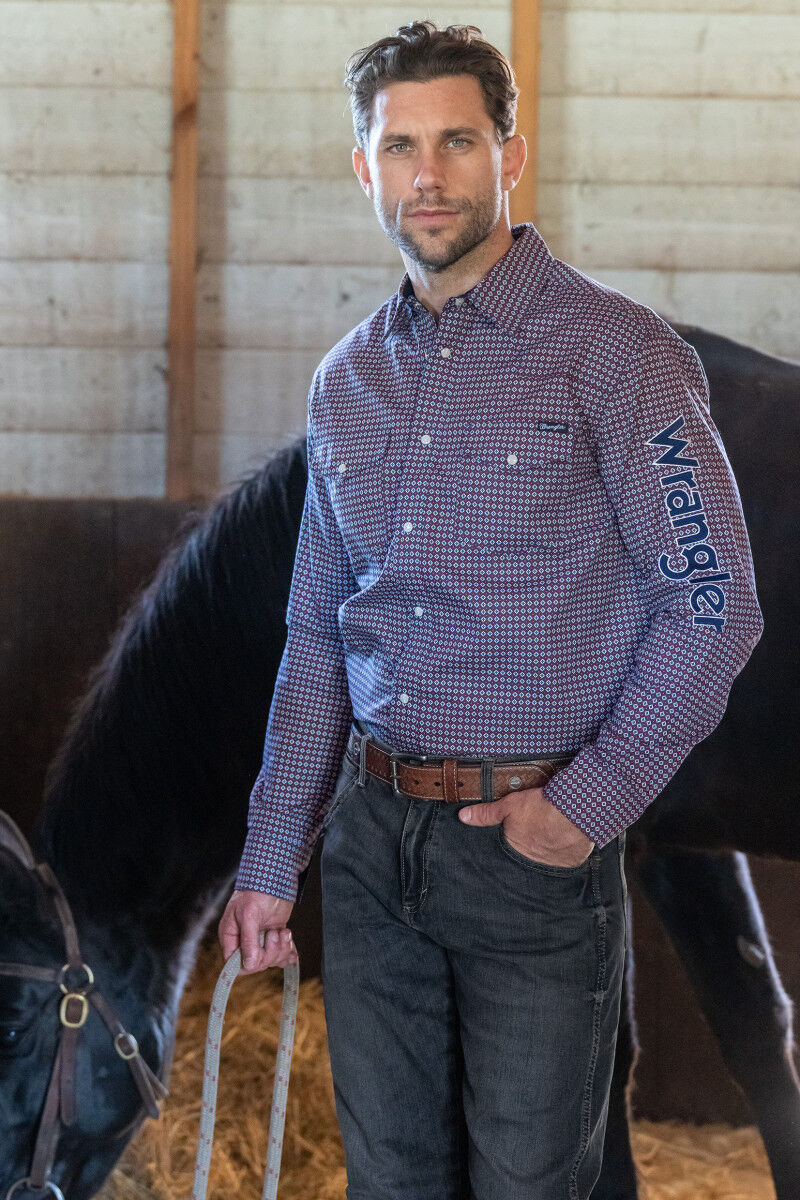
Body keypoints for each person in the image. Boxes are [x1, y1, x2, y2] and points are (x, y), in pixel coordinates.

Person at [218, 19, 764, 1199]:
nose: (427, 175)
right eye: (398, 146)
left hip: (530, 848)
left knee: (530, 1185)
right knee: (393, 1182)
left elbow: (712, 603)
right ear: (362, 168)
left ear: (509, 155)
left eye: (456, 141)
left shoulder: (618, 355)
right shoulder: (346, 381)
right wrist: (272, 856)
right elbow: (316, 636)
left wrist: (581, 810)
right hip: (371, 851)